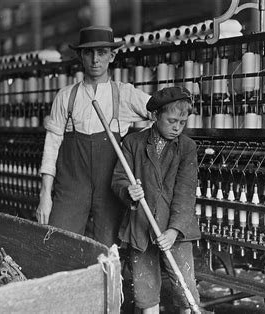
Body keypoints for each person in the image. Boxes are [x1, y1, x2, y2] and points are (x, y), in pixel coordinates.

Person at [36, 25, 152, 247]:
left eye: (101, 53)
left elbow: (162, 112)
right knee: (58, 241)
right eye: (89, 53)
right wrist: (45, 196)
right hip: (71, 186)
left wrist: (138, 145)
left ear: (112, 55)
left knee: (107, 249)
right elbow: (51, 147)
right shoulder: (65, 96)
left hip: (110, 187)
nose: (95, 60)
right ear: (80, 56)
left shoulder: (124, 94)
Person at [111, 87, 201, 314]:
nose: (177, 128)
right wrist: (128, 191)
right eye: (171, 121)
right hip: (141, 227)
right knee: (145, 293)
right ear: (154, 116)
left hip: (177, 231)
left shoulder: (187, 148)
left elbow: (185, 193)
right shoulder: (133, 143)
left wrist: (173, 231)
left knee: (186, 292)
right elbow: (119, 179)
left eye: (182, 122)